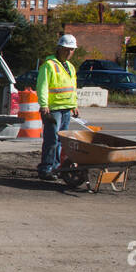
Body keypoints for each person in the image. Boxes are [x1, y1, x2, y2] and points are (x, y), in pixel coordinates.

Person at [36, 34, 80, 181]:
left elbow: (72, 87)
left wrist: (74, 105)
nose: (69, 53)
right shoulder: (49, 65)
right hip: (53, 109)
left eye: (72, 50)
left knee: (61, 140)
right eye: (66, 49)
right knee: (52, 139)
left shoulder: (70, 67)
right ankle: (46, 168)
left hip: (66, 108)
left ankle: (55, 167)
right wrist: (43, 105)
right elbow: (42, 86)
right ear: (59, 48)